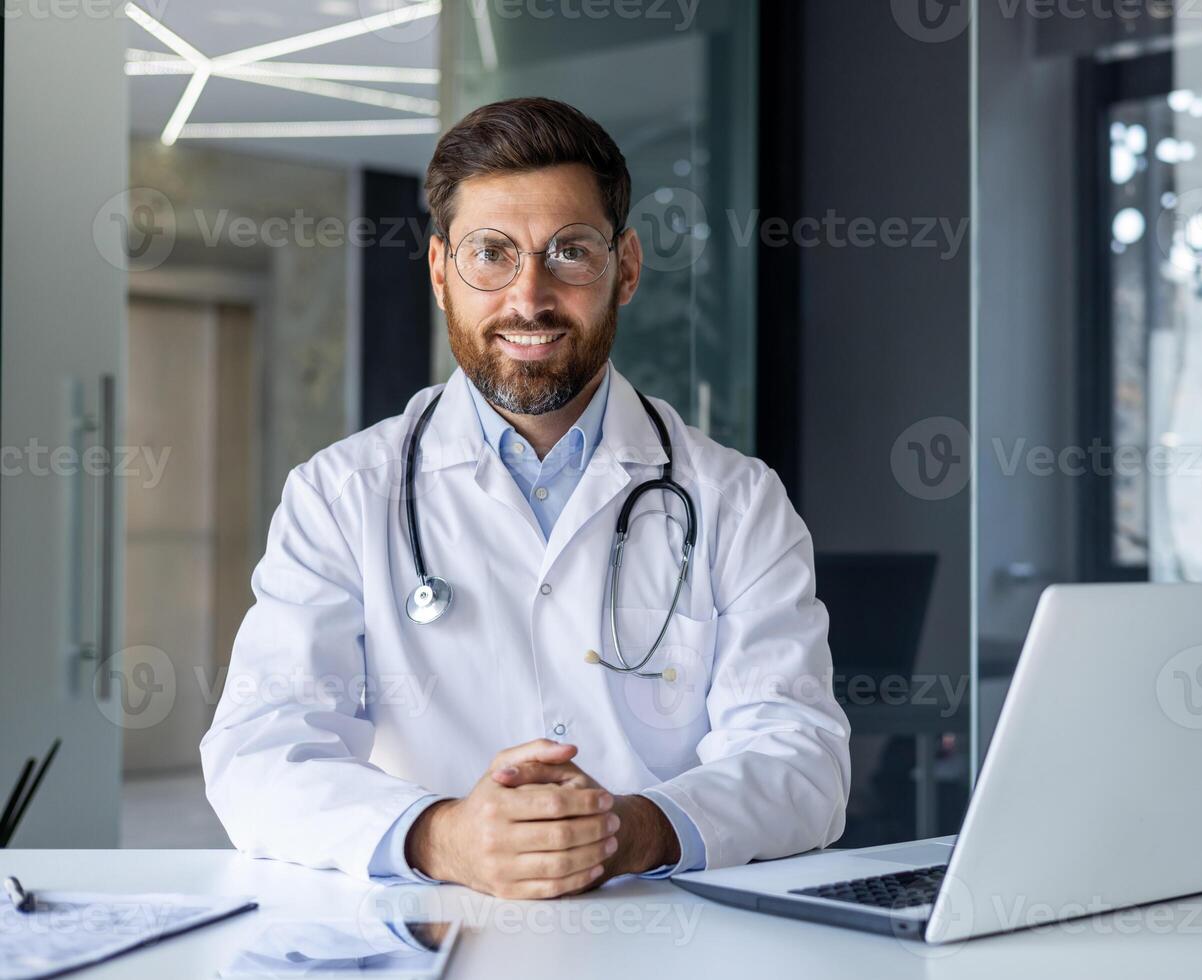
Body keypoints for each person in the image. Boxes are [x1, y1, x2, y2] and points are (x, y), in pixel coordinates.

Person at [201, 97, 851, 899]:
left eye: (570, 251)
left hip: (666, 940)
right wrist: (442, 837)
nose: (529, 296)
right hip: (431, 930)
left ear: (628, 268)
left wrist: (632, 829)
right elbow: (258, 753)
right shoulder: (339, 496)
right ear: (441, 272)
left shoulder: (738, 500)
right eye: (491, 253)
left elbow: (802, 757)